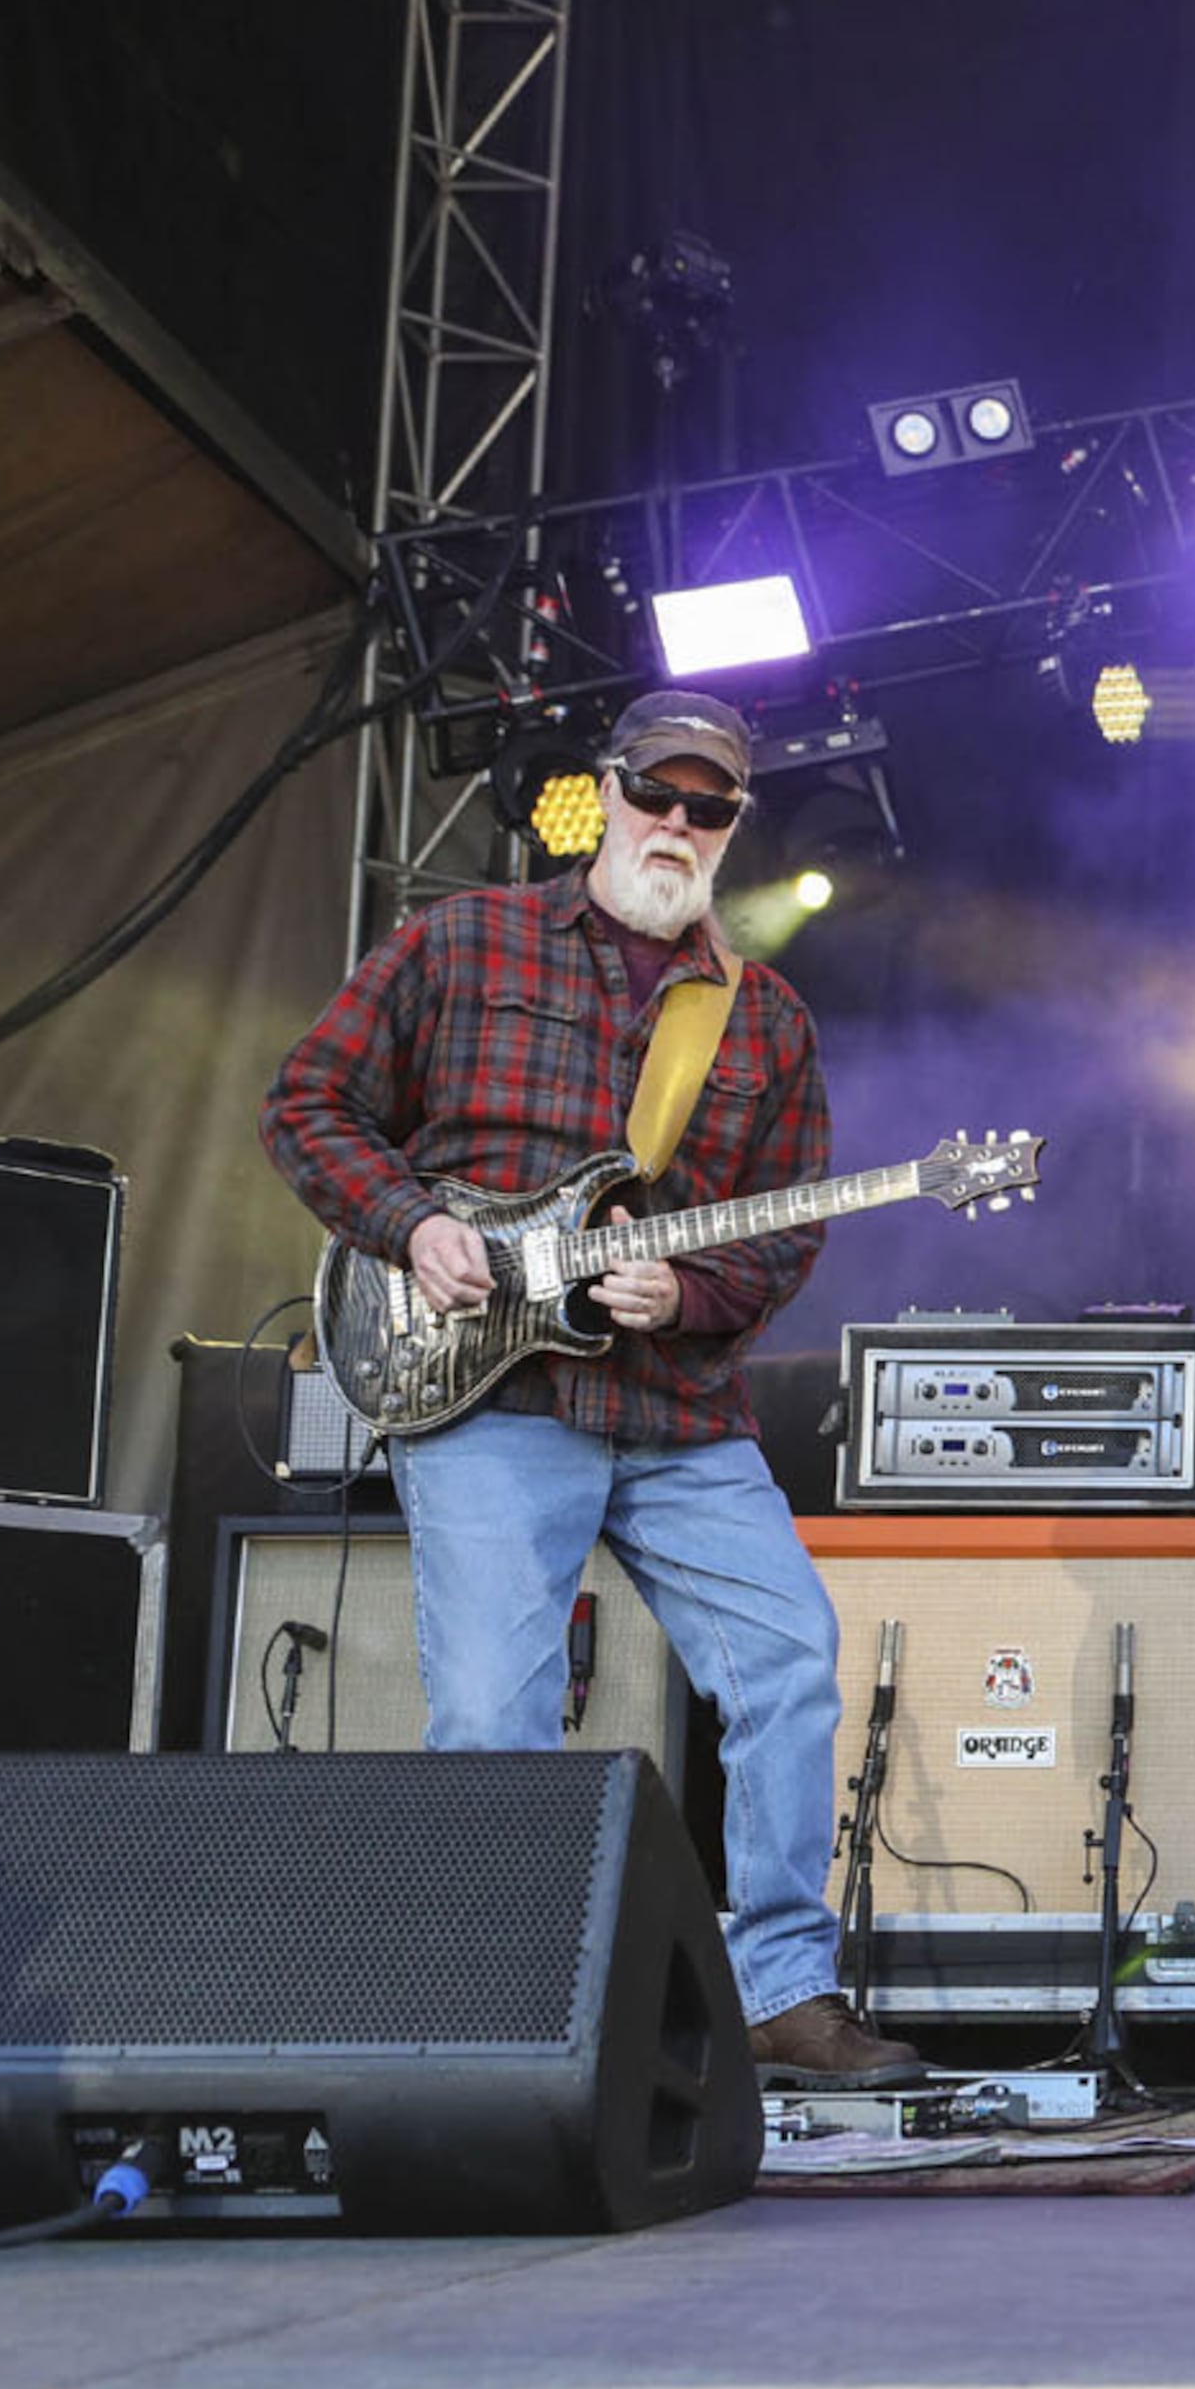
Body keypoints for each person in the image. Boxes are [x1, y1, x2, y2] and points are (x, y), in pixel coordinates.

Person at [262, 687, 922, 2088]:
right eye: (660, 795)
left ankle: (783, 1993)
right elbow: (307, 1103)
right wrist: (411, 1227)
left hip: (677, 1413)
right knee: (495, 1711)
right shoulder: (460, 938)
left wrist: (689, 1292)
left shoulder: (764, 1016)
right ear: (605, 794)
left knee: (793, 1658)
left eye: (712, 807)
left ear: (734, 827)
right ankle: (503, 1999)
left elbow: (784, 1226)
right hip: (489, 1397)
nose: (680, 825)